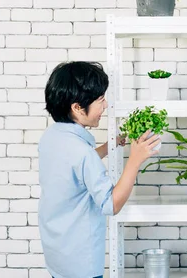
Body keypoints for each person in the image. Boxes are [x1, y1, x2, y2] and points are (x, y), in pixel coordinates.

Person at [38, 61, 160, 278]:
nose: (105, 106)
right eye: (100, 100)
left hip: (57, 253)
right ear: (77, 107)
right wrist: (135, 160)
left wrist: (107, 146)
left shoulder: (52, 137)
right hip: (81, 262)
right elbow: (110, 204)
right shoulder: (81, 152)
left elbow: (74, 170)